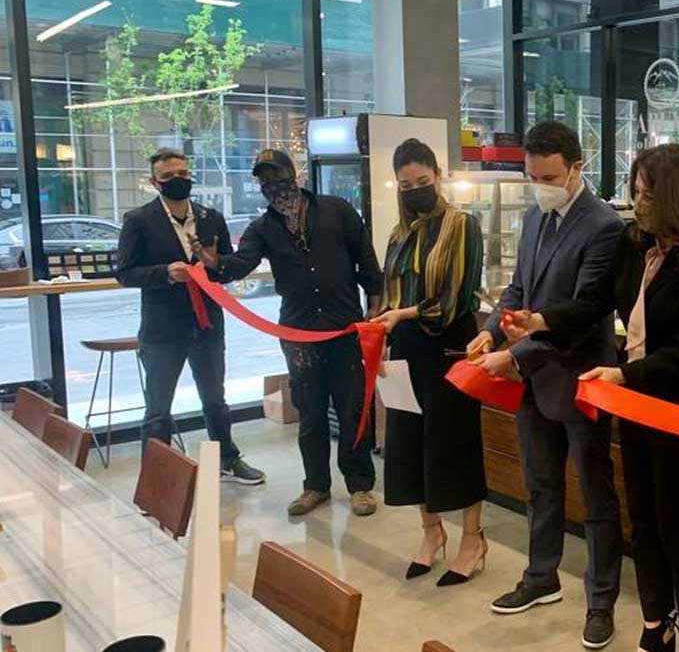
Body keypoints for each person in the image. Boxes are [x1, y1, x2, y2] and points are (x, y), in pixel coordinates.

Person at [502, 144, 679, 652]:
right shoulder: (634, 246)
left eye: (649, 195)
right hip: (632, 407)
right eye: (635, 192)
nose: (639, 203)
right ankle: (656, 621)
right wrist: (540, 320)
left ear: (678, 197)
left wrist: (628, 376)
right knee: (644, 521)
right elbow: (592, 304)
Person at [469, 121, 625, 649]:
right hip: (534, 380)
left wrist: (515, 352)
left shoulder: (604, 226)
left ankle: (601, 600)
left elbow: (582, 314)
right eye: (532, 175)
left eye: (550, 175)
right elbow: (519, 288)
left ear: (577, 167)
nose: (540, 184)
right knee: (540, 485)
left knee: (596, 494)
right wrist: (491, 334)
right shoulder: (535, 218)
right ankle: (541, 577)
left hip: (581, 379)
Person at [191, 149, 383, 517]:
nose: (273, 186)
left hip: (345, 329)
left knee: (352, 409)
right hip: (298, 334)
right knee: (309, 413)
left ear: (294, 175)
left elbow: (366, 259)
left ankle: (360, 486)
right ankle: (315, 487)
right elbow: (240, 265)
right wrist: (213, 264)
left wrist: (375, 307)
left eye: (278, 177)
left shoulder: (337, 210)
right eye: (264, 181)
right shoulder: (262, 228)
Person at [367, 138, 489, 587]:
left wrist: (403, 314)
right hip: (406, 350)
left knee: (454, 442)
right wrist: (382, 332)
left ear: (437, 176)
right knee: (409, 443)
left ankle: (473, 538)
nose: (415, 189)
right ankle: (431, 533)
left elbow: (455, 298)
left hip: (449, 346)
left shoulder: (462, 224)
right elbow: (389, 294)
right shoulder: (399, 234)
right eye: (406, 183)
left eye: (423, 181)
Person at [115, 147, 265, 485]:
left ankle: (228, 458)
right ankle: (155, 479)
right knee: (158, 409)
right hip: (162, 328)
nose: (178, 181)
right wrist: (166, 272)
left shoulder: (211, 217)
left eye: (183, 174)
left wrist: (215, 265)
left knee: (215, 400)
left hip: (208, 324)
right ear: (154, 182)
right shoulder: (138, 220)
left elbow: (228, 268)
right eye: (169, 177)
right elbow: (125, 272)